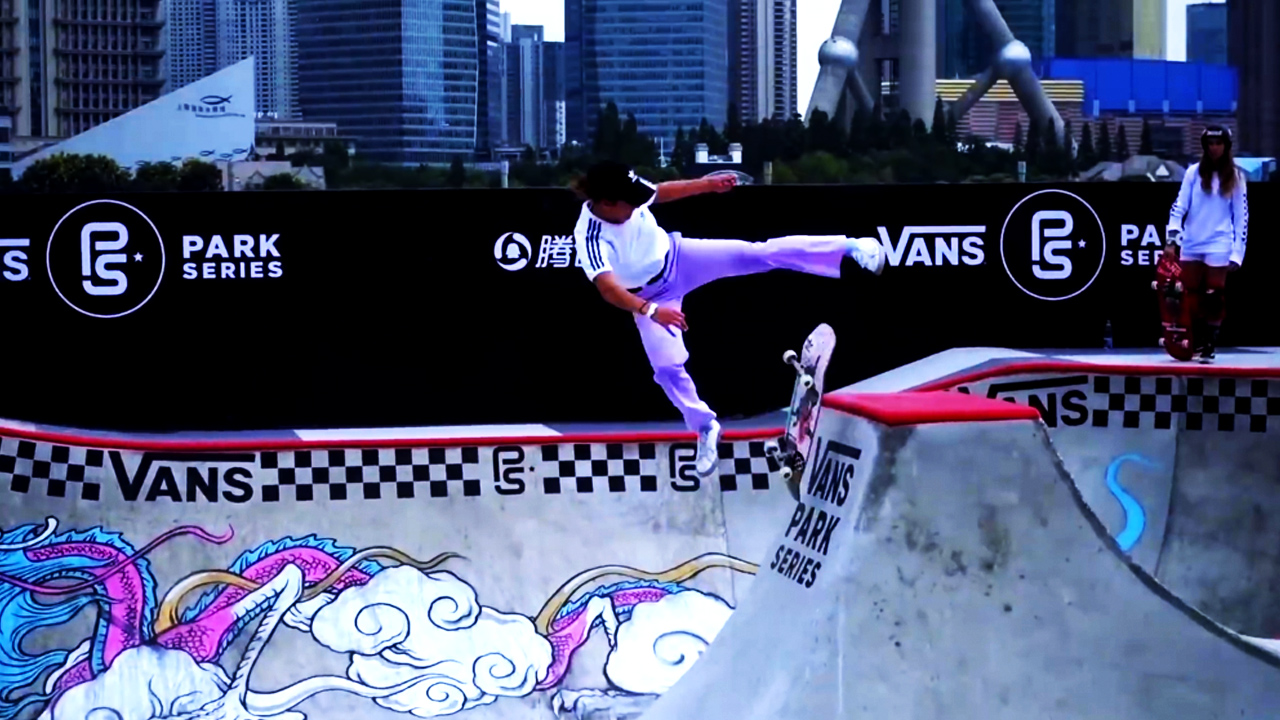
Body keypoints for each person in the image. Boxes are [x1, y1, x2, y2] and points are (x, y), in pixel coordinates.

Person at [569, 160, 886, 476]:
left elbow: (661, 192)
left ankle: (851, 247)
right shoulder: (590, 236)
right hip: (650, 299)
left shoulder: (628, 193)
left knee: (759, 254)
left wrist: (708, 185)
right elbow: (608, 289)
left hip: (680, 257)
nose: (638, 203)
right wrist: (651, 310)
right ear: (606, 203)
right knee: (666, 368)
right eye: (630, 202)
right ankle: (706, 427)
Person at [1166, 125, 1249, 362]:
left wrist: (1237, 253)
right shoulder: (1193, 173)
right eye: (1210, 144)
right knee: (1187, 293)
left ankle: (1210, 342)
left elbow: (1241, 216)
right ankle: (1194, 338)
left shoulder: (1236, 176)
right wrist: (1172, 238)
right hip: (1192, 241)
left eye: (1218, 143)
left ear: (1226, 146)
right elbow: (1179, 205)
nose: (1214, 148)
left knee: (1214, 294)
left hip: (1219, 242)